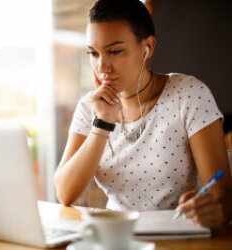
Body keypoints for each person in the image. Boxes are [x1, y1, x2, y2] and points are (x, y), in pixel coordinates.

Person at [54, 0, 232, 229]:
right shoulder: (90, 107)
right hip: (116, 236)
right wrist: (102, 124)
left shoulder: (188, 95)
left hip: (177, 235)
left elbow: (224, 194)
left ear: (148, 47)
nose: (102, 66)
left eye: (115, 51)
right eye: (93, 53)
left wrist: (214, 207)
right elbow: (65, 193)